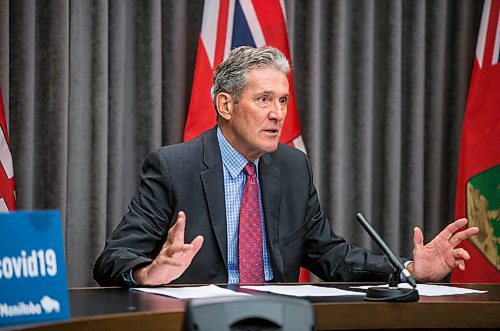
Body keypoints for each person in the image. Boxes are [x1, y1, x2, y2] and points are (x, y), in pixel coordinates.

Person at [93, 46, 479, 287]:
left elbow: (331, 256)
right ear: (225, 105)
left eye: (282, 100)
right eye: (263, 99)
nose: (277, 114)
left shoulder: (292, 167)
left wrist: (409, 267)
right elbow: (112, 260)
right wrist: (149, 273)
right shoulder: (173, 166)